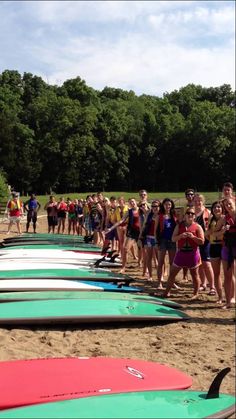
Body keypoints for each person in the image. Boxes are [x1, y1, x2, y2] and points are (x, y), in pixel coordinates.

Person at [162, 207, 204, 300]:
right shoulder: (179, 226)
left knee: (194, 274)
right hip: (181, 252)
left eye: (192, 214)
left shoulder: (197, 226)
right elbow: (173, 239)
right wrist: (181, 236)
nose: (190, 215)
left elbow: (202, 241)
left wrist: (193, 237)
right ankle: (166, 292)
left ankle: (196, 293)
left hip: (193, 253)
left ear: (194, 216)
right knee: (172, 273)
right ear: (185, 215)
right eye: (188, 213)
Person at [106, 198, 141, 274]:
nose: (132, 203)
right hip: (131, 232)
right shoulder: (129, 211)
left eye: (133, 201)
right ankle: (123, 267)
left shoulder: (141, 210)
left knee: (141, 250)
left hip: (140, 232)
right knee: (125, 249)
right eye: (130, 202)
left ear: (136, 202)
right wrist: (111, 228)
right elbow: (121, 221)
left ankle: (140, 264)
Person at [194, 194, 216, 295]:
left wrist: (204, 235)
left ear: (203, 201)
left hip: (206, 241)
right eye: (196, 200)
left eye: (200, 200)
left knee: (207, 264)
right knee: (199, 264)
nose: (198, 202)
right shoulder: (191, 212)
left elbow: (212, 228)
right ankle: (203, 284)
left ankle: (212, 287)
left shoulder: (208, 212)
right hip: (194, 241)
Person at [217, 198, 236, 309]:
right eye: (226, 205)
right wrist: (223, 230)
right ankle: (228, 302)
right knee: (227, 275)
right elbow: (215, 233)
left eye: (230, 203)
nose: (228, 206)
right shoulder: (224, 218)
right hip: (227, 247)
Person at [205, 201, 225, 304]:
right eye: (214, 207)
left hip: (224, 246)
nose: (217, 209)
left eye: (218, 207)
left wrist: (215, 234)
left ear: (222, 208)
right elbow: (207, 234)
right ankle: (220, 297)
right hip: (213, 247)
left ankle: (231, 296)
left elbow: (224, 232)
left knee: (228, 274)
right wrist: (218, 233)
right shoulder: (211, 220)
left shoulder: (225, 218)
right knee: (216, 274)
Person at [155, 198, 177, 289]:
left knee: (172, 263)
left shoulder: (174, 215)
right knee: (161, 262)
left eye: (169, 204)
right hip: (162, 240)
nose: (168, 206)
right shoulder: (159, 216)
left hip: (172, 241)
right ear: (163, 205)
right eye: (166, 204)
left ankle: (172, 282)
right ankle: (159, 282)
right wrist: (156, 242)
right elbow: (155, 230)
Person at [139, 200, 160, 281]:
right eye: (153, 206)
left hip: (157, 238)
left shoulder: (161, 215)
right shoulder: (149, 215)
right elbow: (144, 226)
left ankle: (161, 275)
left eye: (156, 206)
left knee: (159, 258)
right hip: (149, 237)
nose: (154, 208)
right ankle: (150, 275)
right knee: (149, 257)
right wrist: (140, 237)